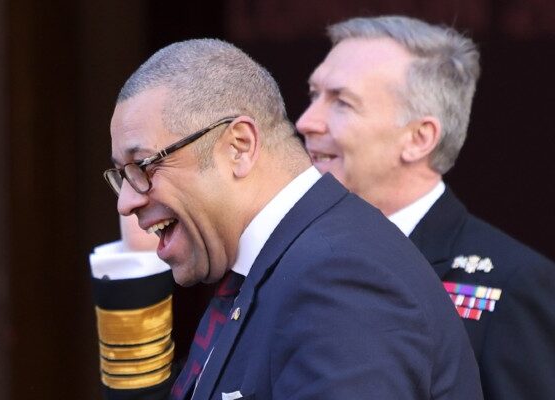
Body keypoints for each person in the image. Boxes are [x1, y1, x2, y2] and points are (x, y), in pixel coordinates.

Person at [90, 38, 481, 399]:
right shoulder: (277, 265)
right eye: (123, 176)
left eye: (143, 166)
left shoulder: (339, 276)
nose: (125, 202)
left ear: (238, 147)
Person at [297, 15, 555, 399]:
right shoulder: (292, 256)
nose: (306, 121)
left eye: (342, 102)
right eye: (314, 94)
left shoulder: (514, 283)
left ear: (419, 138)